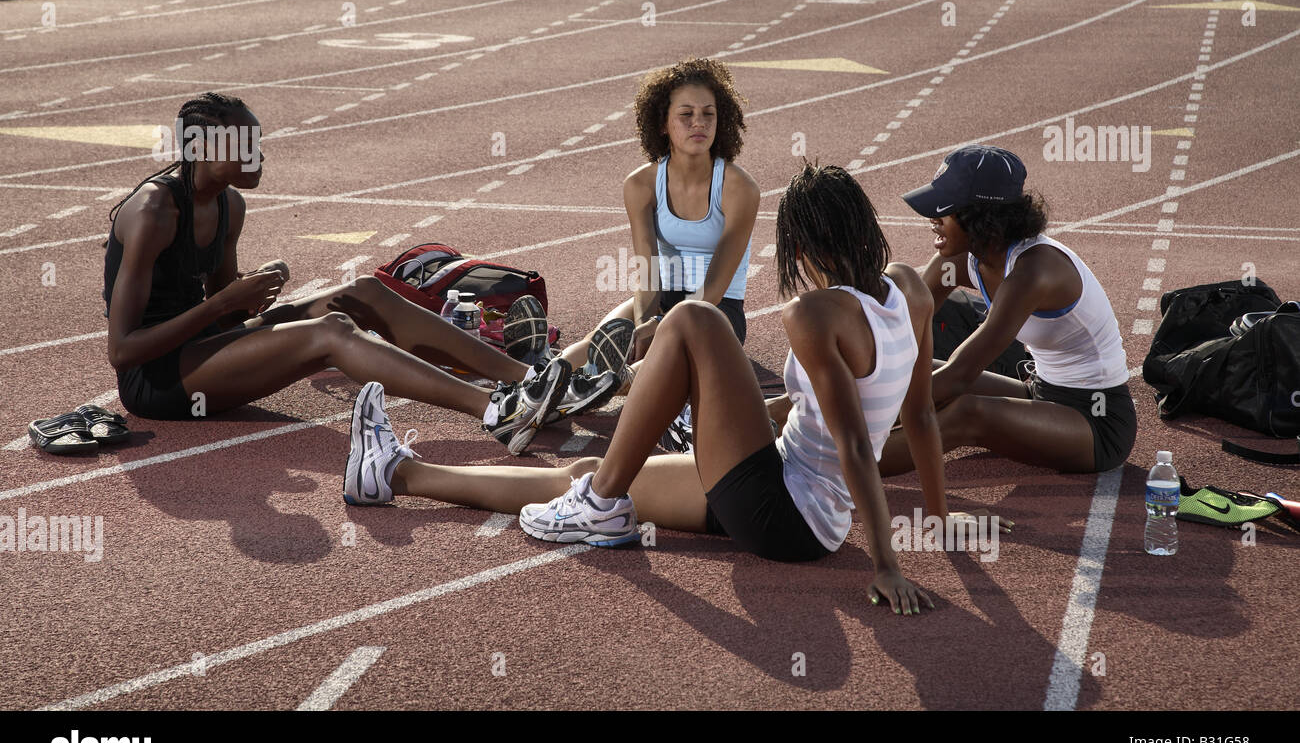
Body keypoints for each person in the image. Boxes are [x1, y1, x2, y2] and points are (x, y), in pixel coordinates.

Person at [344, 164, 946, 615]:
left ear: (805, 247)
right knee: (590, 467)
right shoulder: (910, 290)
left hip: (783, 511)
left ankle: (602, 502)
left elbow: (852, 441)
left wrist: (887, 566)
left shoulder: (815, 314)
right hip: (799, 502)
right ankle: (396, 474)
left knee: (692, 319)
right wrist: (940, 525)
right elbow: (917, 415)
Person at [102, 92, 617, 454]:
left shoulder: (230, 205)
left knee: (365, 292)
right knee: (332, 334)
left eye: (257, 141)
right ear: (199, 150)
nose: (258, 155)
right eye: (243, 145)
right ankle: (494, 412)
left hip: (202, 348)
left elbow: (223, 313)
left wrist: (246, 298)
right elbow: (123, 351)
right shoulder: (154, 213)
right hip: (158, 380)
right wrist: (224, 303)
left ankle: (533, 383)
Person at [533, 58, 758, 450]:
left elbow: (715, 287)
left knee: (661, 353)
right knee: (598, 341)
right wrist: (646, 322)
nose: (698, 123)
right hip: (663, 298)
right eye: (685, 114)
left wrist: (662, 328)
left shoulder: (739, 187)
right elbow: (647, 273)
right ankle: (536, 390)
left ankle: (604, 385)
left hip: (715, 312)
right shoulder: (640, 185)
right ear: (661, 123)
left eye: (708, 114)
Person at [878, 144, 1137, 476]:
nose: (933, 220)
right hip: (1039, 393)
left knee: (966, 413)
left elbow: (959, 376)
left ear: (981, 217)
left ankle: (834, 465)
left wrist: (858, 418)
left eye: (945, 210)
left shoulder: (1035, 272)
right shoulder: (960, 260)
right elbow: (894, 325)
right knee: (911, 370)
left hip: (1097, 423)